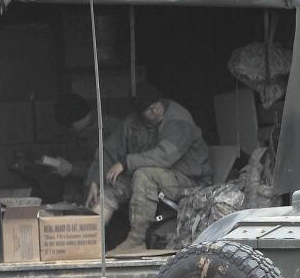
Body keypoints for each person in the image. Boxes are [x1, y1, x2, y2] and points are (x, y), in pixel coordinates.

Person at [87, 83, 211, 254]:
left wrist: (125, 163)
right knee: (115, 181)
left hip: (189, 180)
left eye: (156, 105)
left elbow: (164, 156)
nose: (155, 111)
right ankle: (86, 240)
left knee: (143, 175)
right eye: (149, 109)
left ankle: (136, 241)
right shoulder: (133, 123)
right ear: (140, 113)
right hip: (162, 176)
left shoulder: (178, 119)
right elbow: (110, 149)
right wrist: (95, 180)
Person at [37, 93, 122, 201]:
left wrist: (72, 169)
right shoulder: (83, 128)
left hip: (106, 189)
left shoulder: (107, 130)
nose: (70, 130)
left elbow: (106, 168)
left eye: (70, 126)